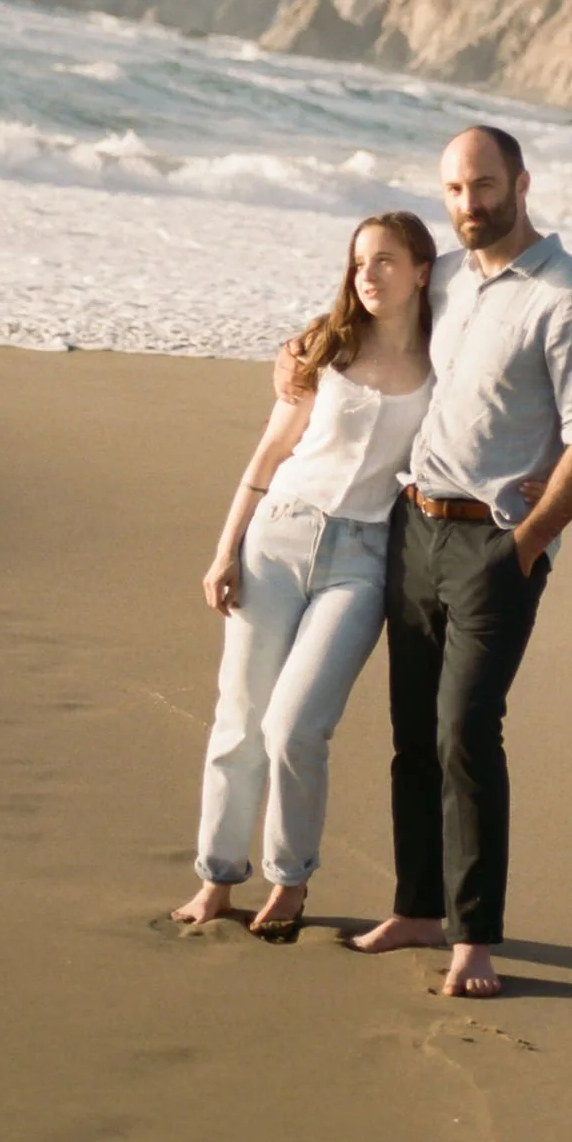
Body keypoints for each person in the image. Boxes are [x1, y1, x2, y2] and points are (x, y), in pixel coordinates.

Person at [341, 125, 572, 997]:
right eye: (456, 190)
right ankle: (418, 906)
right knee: (411, 737)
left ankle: (474, 936)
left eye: (484, 185)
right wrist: (304, 360)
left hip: (494, 544)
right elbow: (386, 342)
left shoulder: (571, 298)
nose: (469, 203)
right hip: (415, 525)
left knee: (467, 731)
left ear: (521, 182)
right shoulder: (460, 285)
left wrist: (526, 546)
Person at [172, 212, 437, 942]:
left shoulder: (445, 364)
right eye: (359, 263)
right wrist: (225, 549)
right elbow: (267, 453)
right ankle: (217, 877)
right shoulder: (326, 348)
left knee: (295, 725)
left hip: (363, 558)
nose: (369, 274)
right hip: (277, 535)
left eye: (385, 260)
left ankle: (290, 880)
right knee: (240, 716)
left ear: (422, 269)